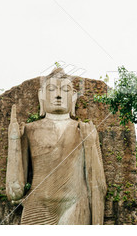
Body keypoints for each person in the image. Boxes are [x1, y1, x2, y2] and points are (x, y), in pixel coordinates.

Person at [6, 70, 106, 224]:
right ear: (41, 96)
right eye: (51, 90)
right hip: (37, 207)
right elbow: (15, 193)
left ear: (73, 98)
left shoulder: (84, 129)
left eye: (65, 90)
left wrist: (91, 142)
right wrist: (13, 141)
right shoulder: (29, 130)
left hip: (74, 205)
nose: (58, 96)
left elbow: (97, 184)